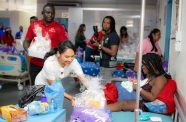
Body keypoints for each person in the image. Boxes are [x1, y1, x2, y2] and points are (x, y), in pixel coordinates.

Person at [107, 53, 176, 115]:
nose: (142, 66)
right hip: (147, 102)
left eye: (144, 64)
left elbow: (152, 98)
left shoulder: (160, 79)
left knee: (123, 104)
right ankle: (101, 108)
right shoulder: (152, 75)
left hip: (152, 105)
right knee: (123, 102)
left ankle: (99, 109)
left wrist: (138, 88)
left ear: (151, 64)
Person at [23, 4, 68, 85]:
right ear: (42, 13)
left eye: (52, 13)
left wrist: (55, 50)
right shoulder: (34, 25)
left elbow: (64, 45)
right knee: (36, 89)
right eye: (47, 12)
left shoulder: (59, 27)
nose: (50, 15)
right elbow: (26, 41)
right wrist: (28, 51)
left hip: (52, 65)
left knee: (51, 89)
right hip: (35, 64)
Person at [92, 16, 120, 82]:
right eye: (104, 22)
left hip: (109, 66)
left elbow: (113, 53)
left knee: (105, 88)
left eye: (108, 23)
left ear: (112, 25)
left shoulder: (113, 36)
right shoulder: (106, 35)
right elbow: (101, 49)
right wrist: (98, 44)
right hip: (103, 64)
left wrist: (99, 45)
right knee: (101, 87)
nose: (105, 24)